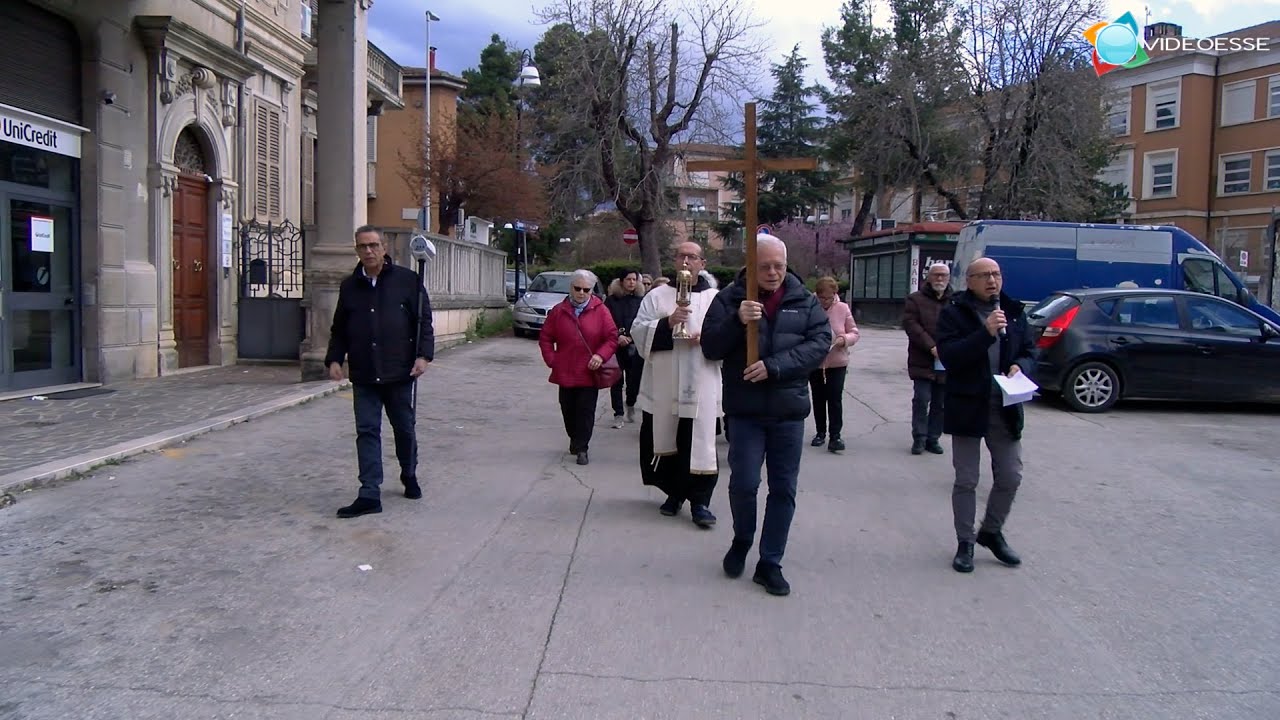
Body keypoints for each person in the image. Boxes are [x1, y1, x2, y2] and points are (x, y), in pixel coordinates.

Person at [701, 235, 831, 596]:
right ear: (751, 265)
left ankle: (770, 561)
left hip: (788, 412)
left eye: (779, 265)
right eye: (765, 266)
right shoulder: (729, 298)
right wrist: (737, 321)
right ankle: (742, 539)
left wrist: (775, 366)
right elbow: (710, 347)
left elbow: (821, 342)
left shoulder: (802, 299)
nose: (773, 273)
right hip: (745, 412)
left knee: (783, 489)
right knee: (743, 483)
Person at [935, 257, 1036, 574]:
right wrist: (985, 333)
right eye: (984, 275)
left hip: (1005, 405)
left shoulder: (1015, 312)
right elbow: (950, 356)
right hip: (968, 404)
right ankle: (965, 542)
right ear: (970, 280)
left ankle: (991, 532)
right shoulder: (954, 313)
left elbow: (1031, 350)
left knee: (1010, 475)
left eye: (996, 274)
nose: (992, 280)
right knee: (966, 479)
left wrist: (1022, 365)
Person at [325, 225, 433, 519]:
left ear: (385, 247)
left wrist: (423, 356)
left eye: (373, 245)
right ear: (357, 250)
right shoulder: (350, 287)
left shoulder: (407, 281)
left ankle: (408, 472)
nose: (369, 251)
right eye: (363, 246)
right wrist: (334, 358)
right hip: (364, 372)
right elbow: (340, 329)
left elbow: (423, 322)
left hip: (399, 371)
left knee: (404, 428)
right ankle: (369, 492)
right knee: (367, 431)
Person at [631, 243, 722, 529]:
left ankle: (700, 502)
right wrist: (667, 323)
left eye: (692, 257)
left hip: (701, 381)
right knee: (669, 436)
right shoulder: (657, 296)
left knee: (699, 441)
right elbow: (638, 330)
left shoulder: (714, 298)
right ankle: (674, 494)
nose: (686, 260)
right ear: (674, 261)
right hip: (665, 381)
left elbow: (728, 335)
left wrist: (704, 338)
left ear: (702, 262)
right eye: (681, 255)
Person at [538, 269, 618, 466]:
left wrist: (600, 355)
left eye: (586, 289)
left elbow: (611, 337)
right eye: (578, 288)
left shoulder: (600, 310)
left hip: (589, 372)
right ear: (571, 288)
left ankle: (582, 447)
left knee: (585, 410)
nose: (582, 293)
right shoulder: (559, 311)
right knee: (568, 409)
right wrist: (552, 360)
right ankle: (574, 439)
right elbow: (546, 338)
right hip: (564, 369)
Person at [903, 262, 953, 455]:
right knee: (922, 399)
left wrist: (948, 348)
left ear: (948, 278)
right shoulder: (915, 299)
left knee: (940, 403)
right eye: (936, 275)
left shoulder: (956, 301)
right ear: (928, 277)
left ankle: (933, 438)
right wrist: (931, 346)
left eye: (943, 275)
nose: (939, 279)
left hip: (947, 360)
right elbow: (911, 324)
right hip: (922, 358)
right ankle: (919, 438)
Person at [808, 276, 860, 453]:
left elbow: (854, 332)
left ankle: (835, 435)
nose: (825, 301)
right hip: (815, 362)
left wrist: (844, 339)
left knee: (835, 398)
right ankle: (820, 432)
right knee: (818, 398)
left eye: (829, 298)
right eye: (822, 298)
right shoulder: (810, 306)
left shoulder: (843, 308)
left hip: (837, 361)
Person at [604, 269, 646, 428]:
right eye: (628, 279)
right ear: (621, 281)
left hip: (635, 346)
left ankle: (630, 404)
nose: (631, 282)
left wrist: (632, 337)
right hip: (615, 346)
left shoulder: (641, 300)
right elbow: (606, 322)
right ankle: (618, 413)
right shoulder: (611, 301)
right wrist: (617, 336)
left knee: (633, 381)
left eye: (634, 279)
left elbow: (644, 322)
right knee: (616, 381)